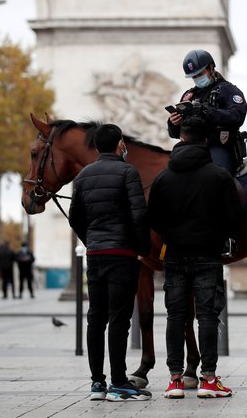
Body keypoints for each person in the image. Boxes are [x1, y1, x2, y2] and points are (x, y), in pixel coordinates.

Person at [148, 116, 242, 399]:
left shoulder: (163, 177)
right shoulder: (219, 176)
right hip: (208, 255)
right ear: (206, 140)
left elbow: (153, 219)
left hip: (175, 255)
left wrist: (172, 234)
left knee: (175, 317)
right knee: (207, 317)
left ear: (181, 138)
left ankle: (175, 380)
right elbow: (233, 220)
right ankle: (209, 380)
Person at [68, 123, 152, 402]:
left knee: (96, 317)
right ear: (120, 144)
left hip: (96, 255)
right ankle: (118, 382)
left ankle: (96, 383)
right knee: (119, 319)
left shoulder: (83, 176)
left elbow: (75, 217)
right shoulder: (128, 172)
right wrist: (141, 248)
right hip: (123, 255)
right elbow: (139, 215)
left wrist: (91, 241)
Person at [166, 49, 247, 174]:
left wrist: (206, 112)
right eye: (194, 76)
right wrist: (174, 123)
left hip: (218, 146)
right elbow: (175, 134)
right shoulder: (189, 96)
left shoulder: (228, 90)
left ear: (210, 67)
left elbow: (237, 116)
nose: (197, 78)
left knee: (218, 176)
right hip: (190, 146)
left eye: (200, 74)